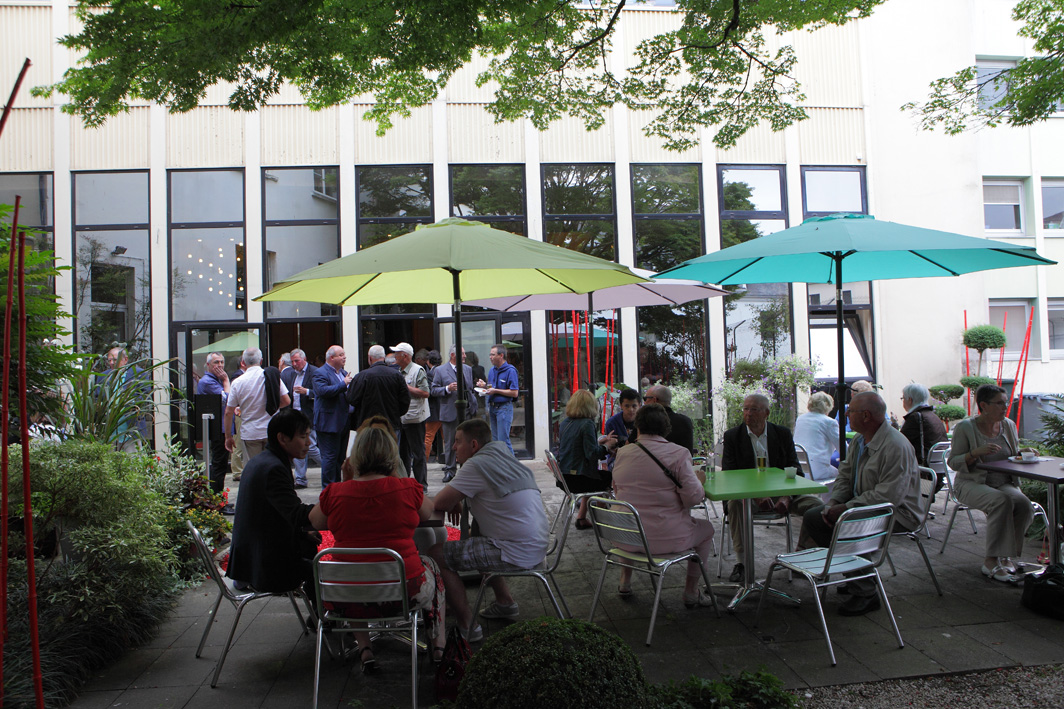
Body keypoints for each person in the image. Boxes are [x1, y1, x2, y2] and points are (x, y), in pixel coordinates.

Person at [308, 427, 446, 671]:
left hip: (345, 596)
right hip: (404, 593)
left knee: (352, 573)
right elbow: (429, 513)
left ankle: (364, 648)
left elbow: (316, 521)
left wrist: (346, 483)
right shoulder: (407, 488)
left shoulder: (335, 493)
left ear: (356, 456)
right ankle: (438, 644)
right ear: (392, 456)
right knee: (432, 566)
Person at [797, 392, 923, 615]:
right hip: (866, 505)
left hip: (897, 512)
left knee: (844, 524)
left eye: (850, 411)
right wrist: (835, 502)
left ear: (866, 415)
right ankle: (855, 573)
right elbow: (845, 475)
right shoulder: (860, 439)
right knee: (816, 515)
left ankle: (866, 591)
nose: (845, 414)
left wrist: (846, 508)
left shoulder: (895, 446)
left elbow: (888, 497)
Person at [428, 418, 549, 642]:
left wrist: (452, 497)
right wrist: (457, 496)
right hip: (538, 546)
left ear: (474, 445)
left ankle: (467, 625)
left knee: (436, 554)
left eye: (457, 441)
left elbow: (438, 504)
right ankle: (505, 602)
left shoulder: (476, 464)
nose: (453, 447)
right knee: (478, 535)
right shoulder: (502, 456)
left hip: (516, 552)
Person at [612, 404, 715, 607]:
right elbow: (694, 498)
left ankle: (625, 581)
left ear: (637, 427)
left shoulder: (623, 453)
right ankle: (691, 592)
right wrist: (698, 481)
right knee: (707, 529)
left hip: (623, 536)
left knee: (632, 513)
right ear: (666, 428)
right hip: (664, 538)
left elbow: (617, 491)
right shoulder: (678, 454)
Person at [948, 384, 1036, 584]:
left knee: (1024, 505)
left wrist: (1023, 453)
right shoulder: (966, 427)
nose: (1005, 407)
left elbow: (1012, 456)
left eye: (1006, 403)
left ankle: (1005, 557)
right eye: (1000, 403)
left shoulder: (1009, 425)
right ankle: (990, 561)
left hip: (1004, 482)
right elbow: (953, 462)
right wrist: (975, 453)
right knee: (1001, 501)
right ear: (983, 405)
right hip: (971, 482)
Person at [226, 408, 319, 594]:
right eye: (303, 437)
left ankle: (319, 619)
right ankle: (324, 621)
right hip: (259, 566)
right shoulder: (273, 468)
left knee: (310, 544)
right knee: (323, 572)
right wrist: (331, 503)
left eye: (308, 436)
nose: (308, 443)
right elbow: (296, 514)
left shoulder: (263, 460)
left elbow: (281, 513)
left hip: (251, 556)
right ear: (282, 438)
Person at [721, 393, 800, 583]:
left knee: (816, 506)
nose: (748, 414)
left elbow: (795, 468)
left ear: (767, 413)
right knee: (735, 505)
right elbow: (729, 473)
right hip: (746, 496)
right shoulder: (733, 436)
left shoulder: (782, 434)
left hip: (782, 493)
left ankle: (806, 557)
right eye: (745, 409)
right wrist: (754, 496)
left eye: (754, 409)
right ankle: (742, 563)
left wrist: (786, 496)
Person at [557, 388, 617, 530]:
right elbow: (592, 454)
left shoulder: (565, 423)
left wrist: (600, 443)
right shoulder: (587, 424)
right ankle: (601, 520)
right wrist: (607, 446)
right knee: (606, 478)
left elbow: (576, 447)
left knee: (594, 477)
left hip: (565, 478)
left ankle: (582, 518)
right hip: (578, 479)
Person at [224, 347, 290, 462]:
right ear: (261, 361)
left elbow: (228, 412)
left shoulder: (237, 382)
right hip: (271, 428)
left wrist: (228, 436)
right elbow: (286, 401)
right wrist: (269, 406)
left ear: (243, 362)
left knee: (255, 468)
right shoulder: (271, 376)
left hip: (250, 432)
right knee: (273, 465)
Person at [430, 345, 478, 483]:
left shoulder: (468, 369)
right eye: (462, 354)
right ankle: (450, 471)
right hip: (449, 412)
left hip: (467, 412)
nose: (465, 356)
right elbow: (433, 390)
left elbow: (469, 389)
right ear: (453, 355)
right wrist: (447, 388)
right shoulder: (440, 370)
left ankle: (467, 470)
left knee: (468, 441)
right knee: (450, 443)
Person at [312, 345, 354, 488]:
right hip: (328, 423)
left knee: (340, 458)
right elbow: (323, 391)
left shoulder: (342, 373)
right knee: (329, 458)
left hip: (343, 422)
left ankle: (337, 487)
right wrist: (343, 384)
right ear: (331, 358)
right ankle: (328, 489)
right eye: (341, 355)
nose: (344, 357)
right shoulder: (320, 373)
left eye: (344, 354)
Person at [391, 342, 430, 491]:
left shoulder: (417, 370)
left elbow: (426, 393)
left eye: (397, 353)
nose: (395, 356)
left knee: (418, 453)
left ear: (405, 356)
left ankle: (422, 486)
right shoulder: (398, 371)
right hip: (402, 418)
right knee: (403, 454)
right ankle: (405, 483)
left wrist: (405, 388)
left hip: (415, 418)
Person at [346, 344, 410, 434]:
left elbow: (351, 399)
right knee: (391, 448)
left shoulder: (361, 376)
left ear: (370, 358)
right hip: (391, 424)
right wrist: (395, 414)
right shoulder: (397, 376)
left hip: (367, 426)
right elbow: (405, 400)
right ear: (383, 357)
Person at [282, 348, 320, 489]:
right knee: (297, 446)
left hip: (309, 416)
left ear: (304, 359)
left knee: (311, 447)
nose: (294, 364)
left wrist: (307, 392)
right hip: (295, 417)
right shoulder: (290, 374)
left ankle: (330, 466)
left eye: (297, 361)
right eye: (292, 361)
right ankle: (300, 479)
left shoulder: (315, 372)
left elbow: (322, 392)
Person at [196, 351, 231, 493]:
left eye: (222, 362)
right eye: (216, 362)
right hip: (217, 429)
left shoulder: (215, 379)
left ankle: (218, 497)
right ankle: (217, 499)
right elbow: (228, 399)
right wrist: (226, 380)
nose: (220, 365)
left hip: (221, 428)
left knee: (221, 464)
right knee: (218, 465)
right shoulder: (208, 381)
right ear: (208, 364)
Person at [477, 343, 520, 455]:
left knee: (503, 442)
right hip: (493, 408)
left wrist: (496, 391)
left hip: (504, 408)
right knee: (496, 441)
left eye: (492, 354)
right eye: (490, 354)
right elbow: (491, 388)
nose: (490, 357)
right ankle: (500, 467)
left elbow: (514, 393)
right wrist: (484, 386)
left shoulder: (511, 371)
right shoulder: (492, 371)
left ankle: (512, 468)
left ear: (501, 355)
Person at [793, 391, 840, 482]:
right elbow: (842, 446)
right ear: (828, 406)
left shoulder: (800, 419)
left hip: (799, 469)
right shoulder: (829, 422)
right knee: (844, 478)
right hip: (818, 470)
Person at [900, 382, 948, 468]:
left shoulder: (915, 417)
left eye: (903, 398)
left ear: (910, 400)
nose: (903, 402)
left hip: (923, 472)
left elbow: (899, 442)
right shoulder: (933, 415)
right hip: (938, 469)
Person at [645, 385, 694, 454]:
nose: (644, 402)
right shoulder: (685, 421)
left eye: (646, 399)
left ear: (654, 400)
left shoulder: (646, 422)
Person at [602, 388, 640, 470]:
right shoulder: (612, 423)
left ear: (639, 405)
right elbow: (609, 448)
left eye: (634, 406)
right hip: (618, 461)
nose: (631, 409)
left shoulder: (644, 422)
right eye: (627, 406)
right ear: (621, 405)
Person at [423, 349, 443, 462]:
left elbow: (430, 392)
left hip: (434, 409)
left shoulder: (430, 373)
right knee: (447, 438)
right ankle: (452, 459)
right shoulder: (443, 370)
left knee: (428, 437)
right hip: (444, 409)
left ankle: (424, 460)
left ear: (428, 361)